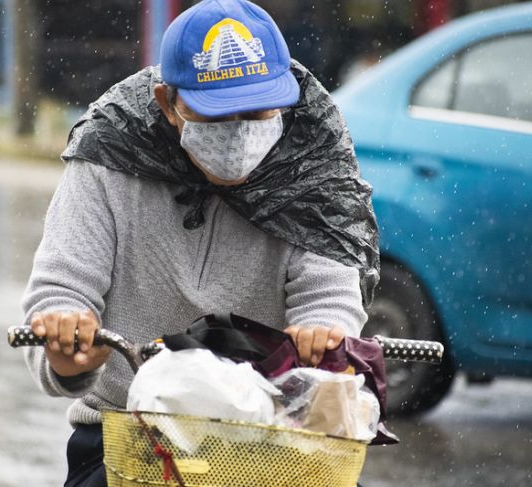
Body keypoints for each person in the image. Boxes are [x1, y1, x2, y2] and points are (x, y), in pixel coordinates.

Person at [21, 0, 380, 485]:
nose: (240, 132)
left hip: (271, 442)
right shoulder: (108, 155)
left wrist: (324, 333)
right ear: (167, 103)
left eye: (257, 112)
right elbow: (61, 291)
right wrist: (67, 347)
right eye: (216, 115)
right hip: (128, 436)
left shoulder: (313, 168)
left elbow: (329, 296)